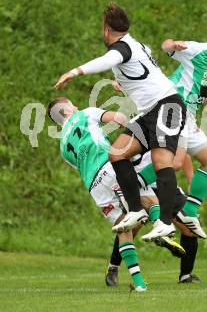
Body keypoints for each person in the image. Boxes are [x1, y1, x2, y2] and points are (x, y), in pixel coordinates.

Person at [54, 2, 187, 242]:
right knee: (117, 154)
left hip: (167, 105)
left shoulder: (122, 48)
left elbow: (107, 61)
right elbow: (144, 72)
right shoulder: (137, 45)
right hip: (150, 111)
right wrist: (123, 83)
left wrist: (75, 72)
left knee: (161, 162)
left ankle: (165, 223)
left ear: (106, 29)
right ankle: (135, 210)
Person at [135, 26, 207, 238]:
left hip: (190, 117)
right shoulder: (197, 51)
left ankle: (188, 211)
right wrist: (172, 44)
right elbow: (166, 45)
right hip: (174, 110)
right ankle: (132, 184)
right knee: (176, 163)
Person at [47, 97, 149, 291]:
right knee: (146, 203)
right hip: (111, 167)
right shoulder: (85, 113)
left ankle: (137, 282)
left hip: (94, 185)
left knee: (123, 225)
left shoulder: (62, 147)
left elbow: (80, 163)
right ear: (66, 108)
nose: (75, 105)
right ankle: (164, 226)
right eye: (71, 102)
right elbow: (118, 118)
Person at [106, 151, 201, 286]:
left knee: (190, 224)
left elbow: (182, 155)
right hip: (141, 187)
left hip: (166, 186)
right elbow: (119, 158)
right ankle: (112, 268)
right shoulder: (136, 136)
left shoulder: (173, 133)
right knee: (131, 227)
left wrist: (191, 180)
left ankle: (185, 275)